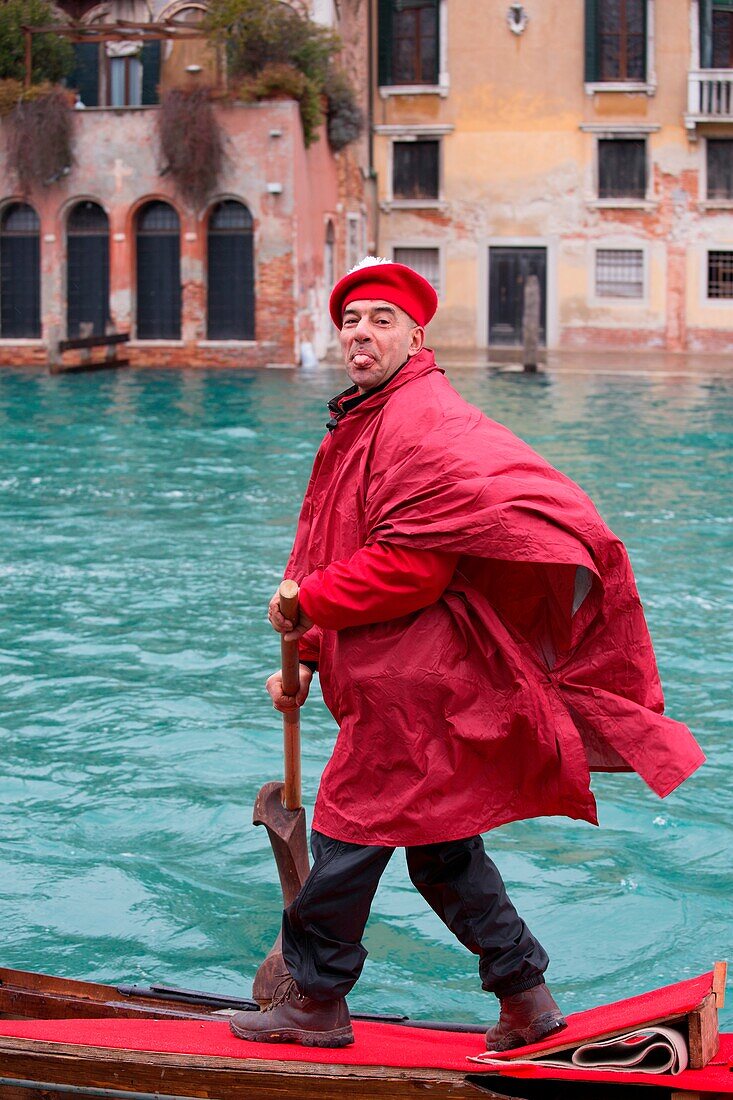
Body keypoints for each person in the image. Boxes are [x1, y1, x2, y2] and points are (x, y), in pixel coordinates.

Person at [229, 258, 704, 1052]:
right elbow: (333, 542)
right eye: (351, 320)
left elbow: (414, 568)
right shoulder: (364, 415)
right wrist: (306, 655)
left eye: (381, 320)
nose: (361, 334)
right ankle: (526, 1002)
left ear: (416, 333)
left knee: (347, 832)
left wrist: (307, 605)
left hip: (413, 680)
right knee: (442, 849)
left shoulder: (420, 418)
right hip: (407, 674)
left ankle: (313, 1001)